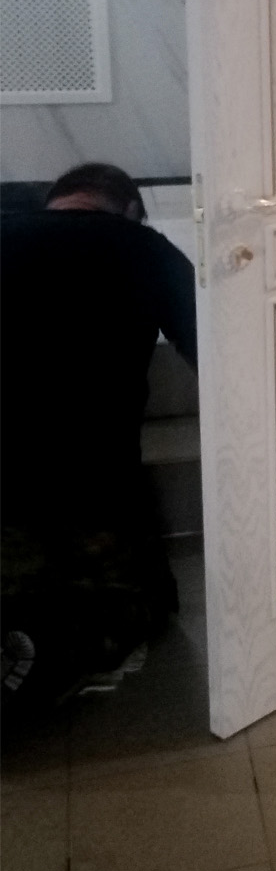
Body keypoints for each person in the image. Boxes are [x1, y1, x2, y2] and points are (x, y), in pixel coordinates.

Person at [0, 162, 198, 723]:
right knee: (143, 603)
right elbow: (219, 355)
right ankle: (50, 653)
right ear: (130, 210)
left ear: (54, 200)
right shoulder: (145, 249)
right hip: (95, 499)